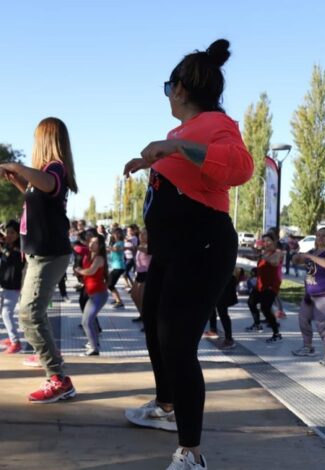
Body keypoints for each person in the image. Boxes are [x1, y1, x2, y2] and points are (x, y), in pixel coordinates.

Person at [122, 39, 253, 470]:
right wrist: (151, 161)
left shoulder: (217, 124)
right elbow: (184, 173)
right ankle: (165, 407)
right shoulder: (181, 133)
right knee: (156, 330)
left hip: (202, 245)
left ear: (179, 89)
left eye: (168, 88)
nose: (168, 96)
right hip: (172, 249)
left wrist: (176, 149)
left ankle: (192, 454)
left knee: (177, 343)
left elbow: (240, 168)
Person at [0, 117, 78, 404]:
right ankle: (51, 363)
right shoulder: (42, 176)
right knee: (33, 313)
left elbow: (48, 185)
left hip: (48, 254)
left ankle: (58, 378)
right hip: (39, 254)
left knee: (29, 314)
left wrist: (18, 166)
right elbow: (42, 197)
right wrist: (19, 181)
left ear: (45, 139)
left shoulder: (54, 168)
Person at [291, 227, 325, 366]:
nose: (320, 238)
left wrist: (309, 256)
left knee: (322, 325)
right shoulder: (313, 252)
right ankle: (307, 347)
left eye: (323, 235)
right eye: (318, 235)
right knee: (303, 319)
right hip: (310, 293)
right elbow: (296, 260)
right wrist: (296, 255)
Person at [0, 220, 26, 354]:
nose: (9, 235)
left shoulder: (19, 249)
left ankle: (15, 342)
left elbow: (14, 260)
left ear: (18, 234)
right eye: (7, 232)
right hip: (7, 285)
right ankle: (12, 337)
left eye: (12, 233)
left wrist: (3, 250)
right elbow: (6, 258)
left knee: (6, 313)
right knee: (3, 311)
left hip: (14, 286)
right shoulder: (9, 246)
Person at [74, 233, 109, 356]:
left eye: (95, 243)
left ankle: (94, 348)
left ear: (100, 246)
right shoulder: (89, 256)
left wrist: (79, 271)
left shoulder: (99, 258)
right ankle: (94, 343)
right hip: (91, 293)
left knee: (86, 322)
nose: (91, 244)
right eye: (91, 242)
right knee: (90, 321)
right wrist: (79, 274)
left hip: (99, 294)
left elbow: (91, 271)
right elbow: (87, 274)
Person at [246, 233, 283, 342]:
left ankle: (276, 333)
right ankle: (257, 324)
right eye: (264, 241)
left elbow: (275, 262)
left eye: (268, 241)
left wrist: (263, 255)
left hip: (271, 286)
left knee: (265, 308)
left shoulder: (278, 252)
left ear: (274, 242)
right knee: (251, 302)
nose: (266, 243)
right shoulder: (264, 253)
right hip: (260, 285)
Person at [130, 227, 151, 322]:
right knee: (134, 296)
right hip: (139, 273)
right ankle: (142, 315)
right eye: (140, 233)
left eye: (144, 234)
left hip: (146, 274)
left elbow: (146, 250)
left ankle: (146, 318)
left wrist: (132, 247)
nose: (141, 235)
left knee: (142, 298)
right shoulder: (141, 245)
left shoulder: (150, 246)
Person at [107, 228, 127, 308]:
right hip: (116, 266)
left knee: (110, 284)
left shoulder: (120, 243)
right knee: (109, 284)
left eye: (115, 233)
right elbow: (112, 250)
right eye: (114, 233)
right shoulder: (116, 243)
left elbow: (116, 249)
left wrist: (107, 248)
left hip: (119, 267)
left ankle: (119, 302)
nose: (114, 235)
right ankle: (117, 300)